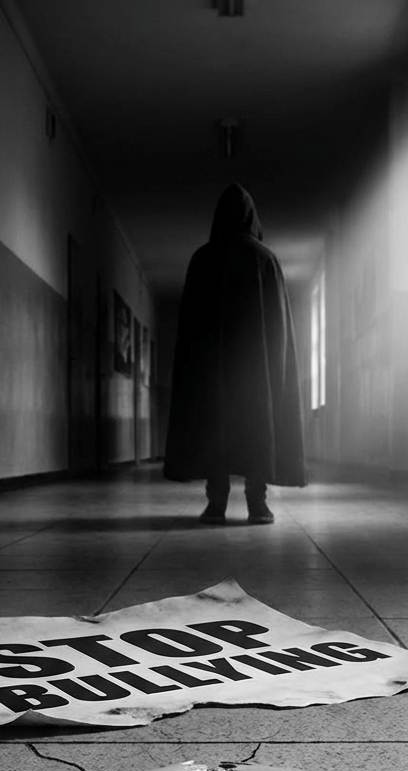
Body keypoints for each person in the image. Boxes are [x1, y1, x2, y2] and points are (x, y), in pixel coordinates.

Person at [164, 183, 306, 524]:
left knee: (216, 430)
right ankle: (258, 504)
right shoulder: (265, 259)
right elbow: (278, 327)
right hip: (257, 370)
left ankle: (216, 505)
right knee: (258, 428)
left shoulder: (203, 257)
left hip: (213, 369)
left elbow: (192, 325)